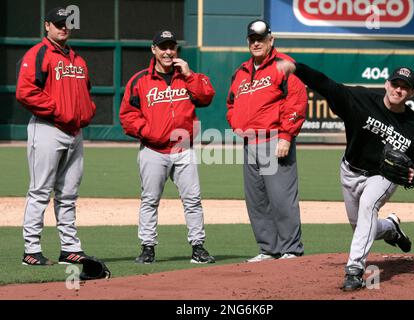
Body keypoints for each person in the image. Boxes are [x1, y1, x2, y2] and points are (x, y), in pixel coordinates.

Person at [276, 60, 414, 291]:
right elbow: (326, 85)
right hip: (350, 170)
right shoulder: (361, 101)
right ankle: (391, 228)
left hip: (383, 176)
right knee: (360, 224)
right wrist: (296, 68)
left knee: (368, 207)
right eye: (395, 84)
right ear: (386, 83)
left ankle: (354, 270)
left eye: (404, 87)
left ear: (411, 92)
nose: (398, 90)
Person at [120, 30, 216, 264]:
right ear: (153, 50)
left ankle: (198, 247)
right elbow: (128, 115)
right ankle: (148, 248)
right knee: (150, 200)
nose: (168, 52)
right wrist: (147, 132)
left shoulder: (188, 77)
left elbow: (206, 97)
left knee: (192, 200)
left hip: (183, 149)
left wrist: (190, 74)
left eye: (171, 47)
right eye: (162, 47)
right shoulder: (140, 80)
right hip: (153, 150)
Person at [16, 7, 96, 266]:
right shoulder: (38, 54)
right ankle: (31, 250)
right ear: (47, 26)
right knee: (40, 190)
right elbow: (26, 92)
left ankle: (69, 248)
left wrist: (85, 112)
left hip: (75, 133)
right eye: (59, 23)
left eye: (67, 23)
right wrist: (59, 111)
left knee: (68, 194)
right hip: (47, 128)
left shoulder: (78, 60)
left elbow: (86, 93)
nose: (64, 27)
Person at [226, 20, 308, 262]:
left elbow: (296, 101)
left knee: (282, 198)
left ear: (271, 40)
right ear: (248, 42)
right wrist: (236, 123)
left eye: (261, 39)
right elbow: (231, 103)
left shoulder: (284, 65)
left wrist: (286, 136)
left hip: (274, 140)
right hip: (249, 142)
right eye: (252, 39)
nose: (256, 43)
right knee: (257, 200)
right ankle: (269, 249)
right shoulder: (241, 71)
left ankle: (291, 249)